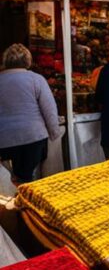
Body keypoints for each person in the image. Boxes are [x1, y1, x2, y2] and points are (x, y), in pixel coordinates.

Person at [0, 44, 61, 184]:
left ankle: (16, 198)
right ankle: (26, 200)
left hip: (5, 140)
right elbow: (49, 109)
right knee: (27, 177)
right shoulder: (36, 79)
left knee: (11, 178)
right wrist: (54, 133)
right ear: (28, 61)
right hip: (33, 138)